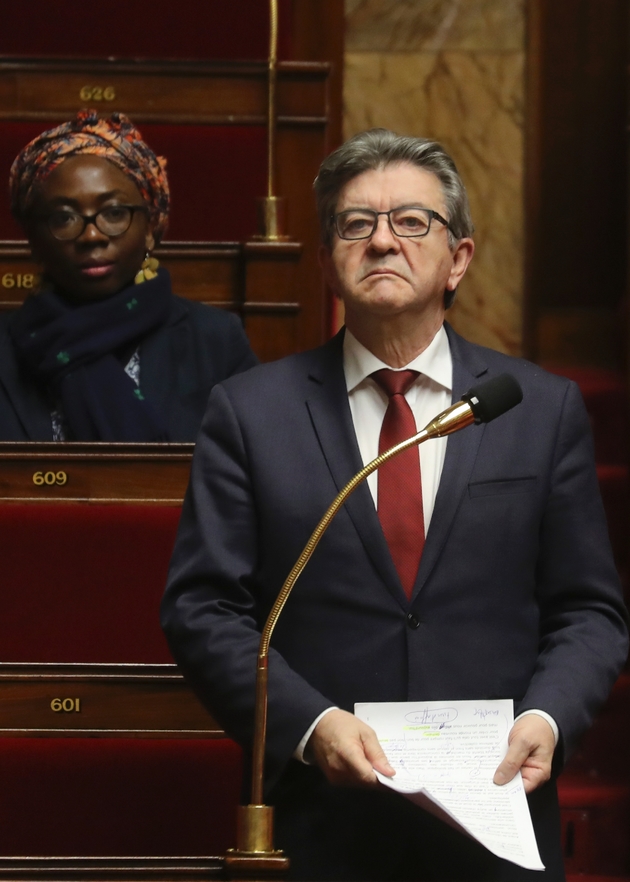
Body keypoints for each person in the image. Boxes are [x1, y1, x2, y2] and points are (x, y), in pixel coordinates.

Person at [161, 129, 628, 881]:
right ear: (327, 264)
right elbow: (202, 607)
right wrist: (310, 724)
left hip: (496, 815)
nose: (382, 241)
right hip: (324, 820)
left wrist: (546, 717)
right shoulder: (251, 412)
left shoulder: (539, 409)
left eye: (412, 222)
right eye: (356, 224)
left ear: (459, 260)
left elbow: (589, 611)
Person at [0, 109, 257, 441]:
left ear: (150, 229)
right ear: (34, 241)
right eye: (64, 218)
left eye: (114, 213)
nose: (92, 236)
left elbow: (252, 472)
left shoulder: (214, 341)